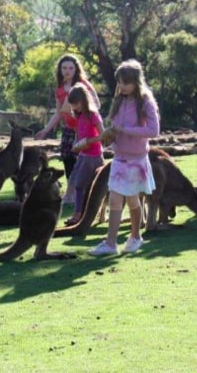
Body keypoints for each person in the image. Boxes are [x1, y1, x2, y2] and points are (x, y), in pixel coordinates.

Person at [88, 59, 160, 256]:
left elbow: (154, 130)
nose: (121, 86)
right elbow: (115, 127)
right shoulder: (119, 100)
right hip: (119, 157)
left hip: (136, 159)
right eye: (119, 82)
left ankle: (135, 237)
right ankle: (111, 243)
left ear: (136, 82)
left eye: (125, 82)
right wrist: (109, 137)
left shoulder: (145, 101)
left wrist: (126, 130)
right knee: (115, 198)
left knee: (133, 199)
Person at [34, 54, 99, 204]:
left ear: (76, 69)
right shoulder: (59, 88)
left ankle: (80, 194)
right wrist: (45, 130)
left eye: (70, 68)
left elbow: (96, 105)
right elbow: (58, 113)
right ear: (60, 69)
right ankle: (71, 194)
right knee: (67, 158)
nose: (67, 71)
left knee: (81, 161)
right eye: (64, 68)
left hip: (83, 129)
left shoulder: (83, 85)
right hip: (68, 129)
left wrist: (78, 108)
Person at [64, 84, 106, 225]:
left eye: (76, 104)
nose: (74, 107)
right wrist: (77, 145)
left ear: (83, 100)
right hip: (83, 155)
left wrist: (88, 142)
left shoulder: (93, 115)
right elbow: (79, 133)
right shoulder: (79, 116)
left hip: (93, 156)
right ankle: (79, 213)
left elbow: (103, 135)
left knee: (84, 185)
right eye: (73, 105)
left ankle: (79, 215)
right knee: (76, 183)